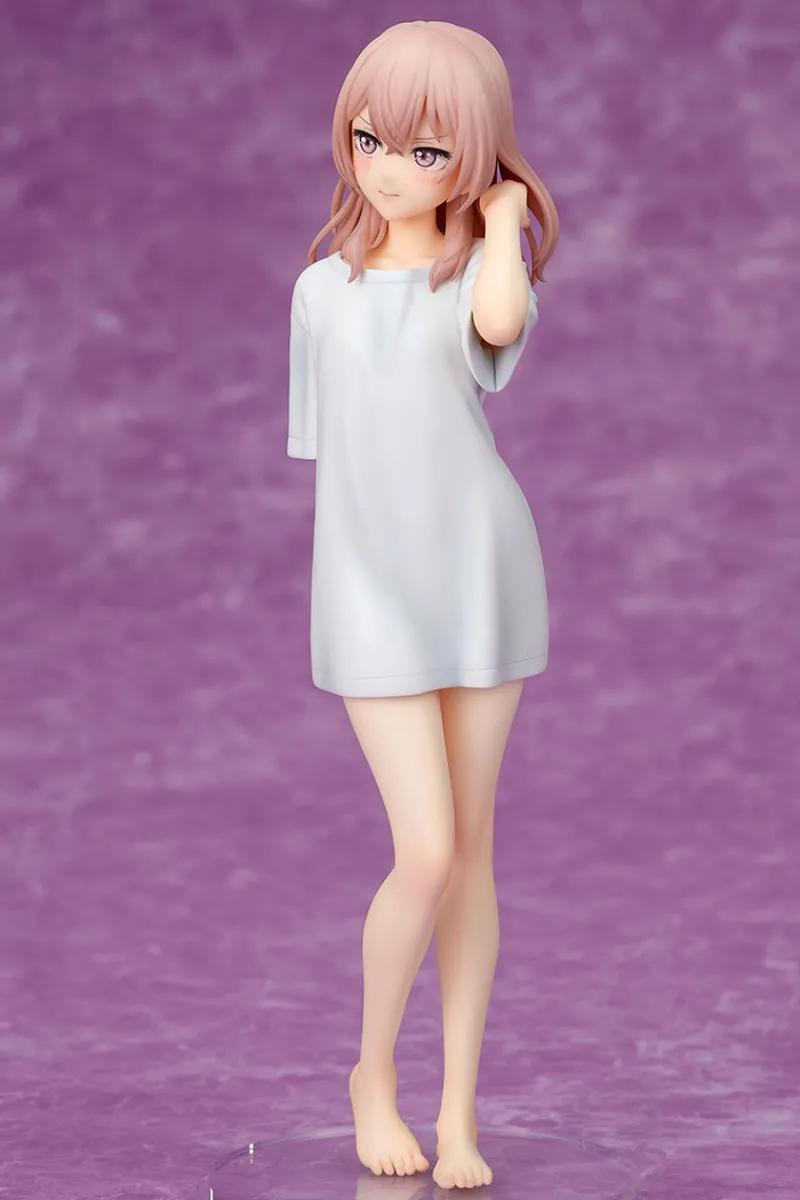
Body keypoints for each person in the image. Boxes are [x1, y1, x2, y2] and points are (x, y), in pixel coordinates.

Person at [286, 20, 559, 1190]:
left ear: (474, 158)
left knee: (473, 853)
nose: (388, 168)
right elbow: (331, 465)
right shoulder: (319, 292)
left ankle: (456, 1113)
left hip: (482, 573)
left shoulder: (473, 281)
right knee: (428, 849)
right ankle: (370, 1073)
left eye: (427, 151)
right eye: (369, 139)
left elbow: (498, 325)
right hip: (368, 587)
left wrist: (498, 225)